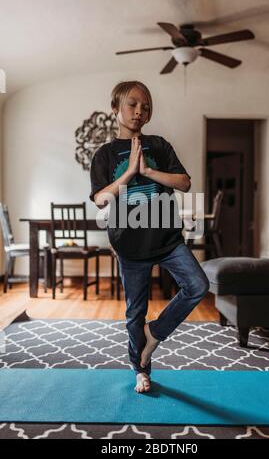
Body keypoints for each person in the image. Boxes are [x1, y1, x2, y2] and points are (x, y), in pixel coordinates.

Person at [89, 80, 209, 393]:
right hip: (129, 245)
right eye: (132, 104)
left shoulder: (159, 145)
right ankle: (140, 370)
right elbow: (101, 199)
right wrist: (129, 173)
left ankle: (154, 333)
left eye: (145, 106)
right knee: (134, 313)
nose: (139, 111)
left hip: (168, 239)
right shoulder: (104, 155)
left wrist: (149, 171)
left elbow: (183, 182)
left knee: (198, 284)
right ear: (115, 108)